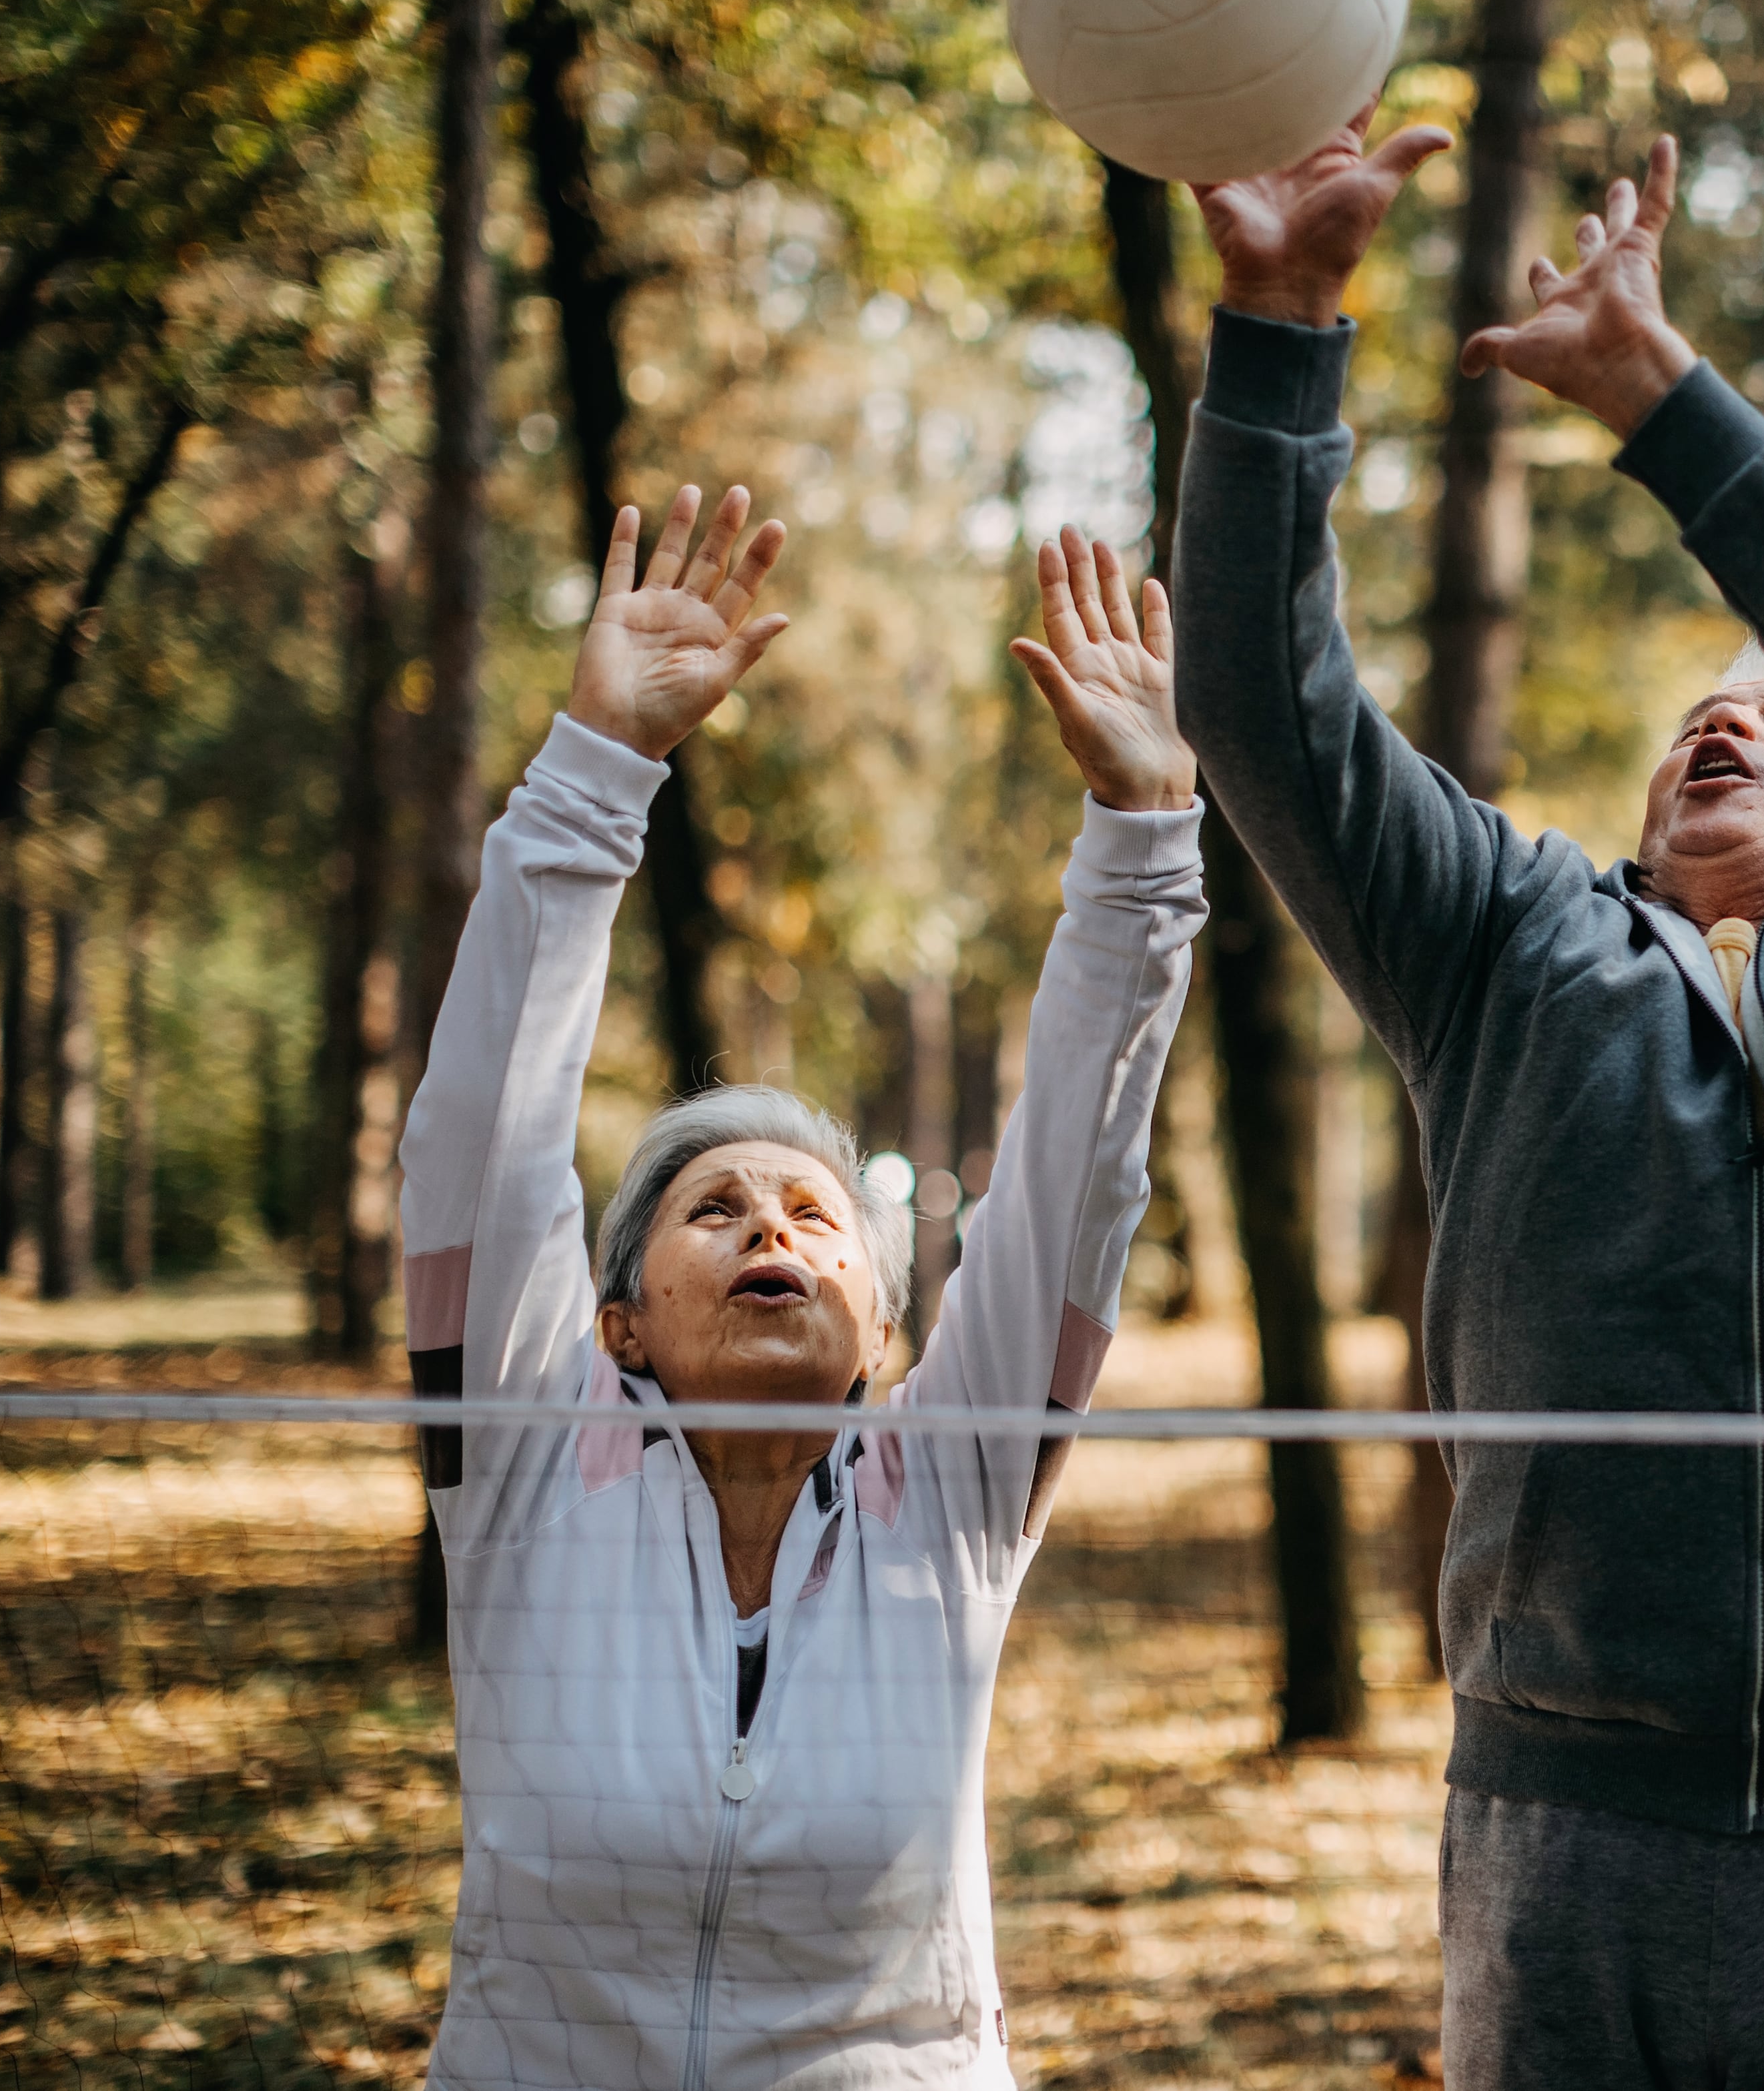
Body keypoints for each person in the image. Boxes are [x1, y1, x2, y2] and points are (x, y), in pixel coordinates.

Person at [1170, 121, 1764, 2090]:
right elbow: (1264, 709)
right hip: (1563, 1810)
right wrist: (1275, 338)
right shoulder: (1505, 942)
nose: (1729, 719)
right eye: (1700, 716)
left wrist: (1664, 408)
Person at [398, 494, 1203, 2084]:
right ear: (614, 1319)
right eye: (714, 1208)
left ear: (884, 1336)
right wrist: (594, 770)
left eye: (818, 1215)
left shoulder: (954, 1488)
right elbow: (482, 1143)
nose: (773, 1227)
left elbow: (1079, 1178)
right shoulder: (525, 1461)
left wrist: (1143, 839)